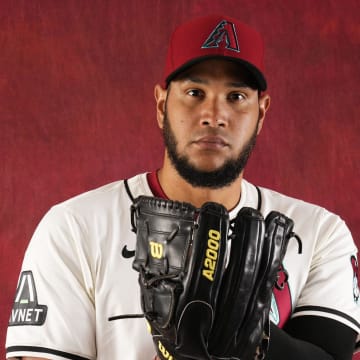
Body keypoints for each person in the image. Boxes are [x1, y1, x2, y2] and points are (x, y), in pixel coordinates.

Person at [5, 14, 360, 360]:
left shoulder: (318, 233)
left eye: (236, 96)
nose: (214, 114)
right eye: (194, 92)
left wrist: (256, 344)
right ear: (161, 104)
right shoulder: (75, 227)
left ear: (262, 113)